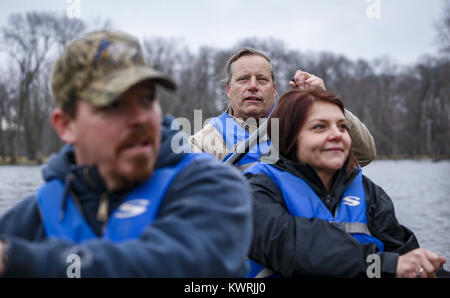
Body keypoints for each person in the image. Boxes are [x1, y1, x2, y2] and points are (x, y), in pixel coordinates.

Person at [0, 30, 253, 277]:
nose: (141, 118)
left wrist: (17, 261)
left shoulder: (215, 186)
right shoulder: (32, 218)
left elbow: (176, 266)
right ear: (66, 125)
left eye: (147, 99)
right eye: (114, 105)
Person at [244, 89, 446, 278]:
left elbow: (405, 255)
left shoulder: (369, 193)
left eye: (342, 126)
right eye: (320, 127)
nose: (337, 135)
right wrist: (384, 266)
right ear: (289, 136)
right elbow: (292, 246)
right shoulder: (255, 188)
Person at [189, 47, 376, 170]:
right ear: (229, 89)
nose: (253, 86)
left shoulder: (302, 124)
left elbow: (364, 155)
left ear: (274, 89)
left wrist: (324, 103)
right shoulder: (203, 141)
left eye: (262, 79)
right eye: (243, 79)